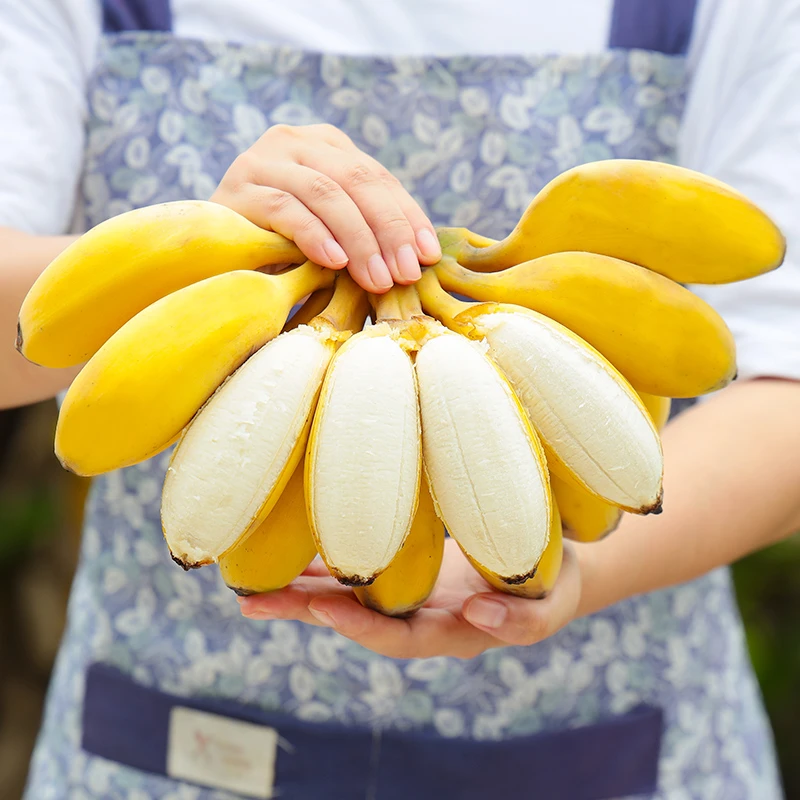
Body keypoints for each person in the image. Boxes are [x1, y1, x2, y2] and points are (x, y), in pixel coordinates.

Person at [2, 0, 800, 796]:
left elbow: (786, 385)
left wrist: (587, 569)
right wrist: (199, 258)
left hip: (621, 752)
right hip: (167, 748)